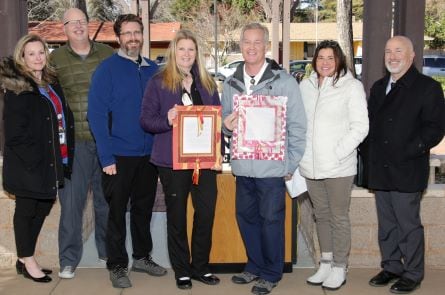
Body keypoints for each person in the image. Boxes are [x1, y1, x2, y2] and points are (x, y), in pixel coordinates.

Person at [221, 23, 307, 295]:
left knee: (271, 220)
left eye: (257, 42)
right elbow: (225, 123)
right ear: (241, 45)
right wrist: (227, 125)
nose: (251, 46)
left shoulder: (284, 82)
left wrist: (289, 164)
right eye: (247, 41)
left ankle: (271, 272)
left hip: (272, 169)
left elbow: (298, 127)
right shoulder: (231, 82)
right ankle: (255, 265)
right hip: (243, 167)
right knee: (246, 217)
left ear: (266, 46)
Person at [87, 14, 166, 288]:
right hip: (118, 156)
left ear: (142, 36)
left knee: (143, 209)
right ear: (119, 37)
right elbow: (96, 115)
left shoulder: (154, 70)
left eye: (137, 32)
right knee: (116, 212)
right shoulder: (106, 69)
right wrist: (106, 157)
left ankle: (142, 257)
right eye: (127, 33)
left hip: (148, 156)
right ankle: (117, 265)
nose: (133, 37)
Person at [363, 36, 445, 294]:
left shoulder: (427, 88)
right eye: (388, 51)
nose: (392, 56)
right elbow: (369, 124)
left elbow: (435, 128)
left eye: (399, 51)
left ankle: (412, 272)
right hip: (381, 168)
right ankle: (391, 266)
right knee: (387, 224)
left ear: (411, 56)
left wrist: (411, 150)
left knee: (408, 224)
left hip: (407, 168)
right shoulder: (378, 87)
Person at [140, 29, 221, 290]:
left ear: (197, 54)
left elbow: (216, 118)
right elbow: (146, 120)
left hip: (204, 161)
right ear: (175, 52)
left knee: (206, 214)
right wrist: (167, 119)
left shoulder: (207, 83)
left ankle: (200, 267)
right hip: (172, 162)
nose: (187, 54)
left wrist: (225, 124)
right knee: (177, 217)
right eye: (182, 49)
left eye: (191, 49)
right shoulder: (159, 82)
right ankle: (182, 270)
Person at [0, 34, 74, 283]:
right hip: (30, 164)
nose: (37, 58)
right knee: (27, 209)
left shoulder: (52, 83)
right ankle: (27, 259)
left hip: (52, 159)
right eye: (31, 54)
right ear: (22, 57)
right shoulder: (17, 88)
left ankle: (25, 258)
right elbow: (14, 134)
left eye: (41, 52)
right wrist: (36, 160)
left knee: (43, 207)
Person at [298, 40, 369, 290]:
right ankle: (326, 262)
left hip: (338, 167)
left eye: (330, 58)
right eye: (321, 58)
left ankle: (340, 266)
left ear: (339, 60)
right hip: (311, 166)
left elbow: (361, 126)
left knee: (339, 217)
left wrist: (338, 152)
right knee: (322, 216)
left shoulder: (351, 87)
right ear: (314, 61)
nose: (325, 63)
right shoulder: (305, 86)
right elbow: (299, 124)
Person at [50, 7, 114, 279]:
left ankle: (107, 251)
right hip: (74, 145)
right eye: (71, 23)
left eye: (82, 21)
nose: (77, 26)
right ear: (63, 28)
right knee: (72, 204)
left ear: (88, 24)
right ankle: (68, 259)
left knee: (106, 201)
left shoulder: (108, 54)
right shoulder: (55, 59)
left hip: (106, 142)